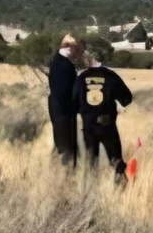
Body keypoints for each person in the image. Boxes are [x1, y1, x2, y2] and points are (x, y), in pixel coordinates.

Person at [74, 53, 133, 178]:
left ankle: (91, 190)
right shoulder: (111, 76)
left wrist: (85, 112)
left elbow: (72, 102)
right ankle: (120, 186)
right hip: (107, 125)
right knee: (116, 159)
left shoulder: (81, 78)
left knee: (91, 162)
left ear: (90, 60)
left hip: (88, 126)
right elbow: (127, 99)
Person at [48, 34, 84, 166]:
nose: (79, 53)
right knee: (66, 149)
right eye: (78, 49)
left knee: (65, 147)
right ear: (70, 48)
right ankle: (64, 179)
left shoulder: (60, 62)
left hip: (61, 111)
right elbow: (63, 93)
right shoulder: (62, 65)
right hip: (63, 112)